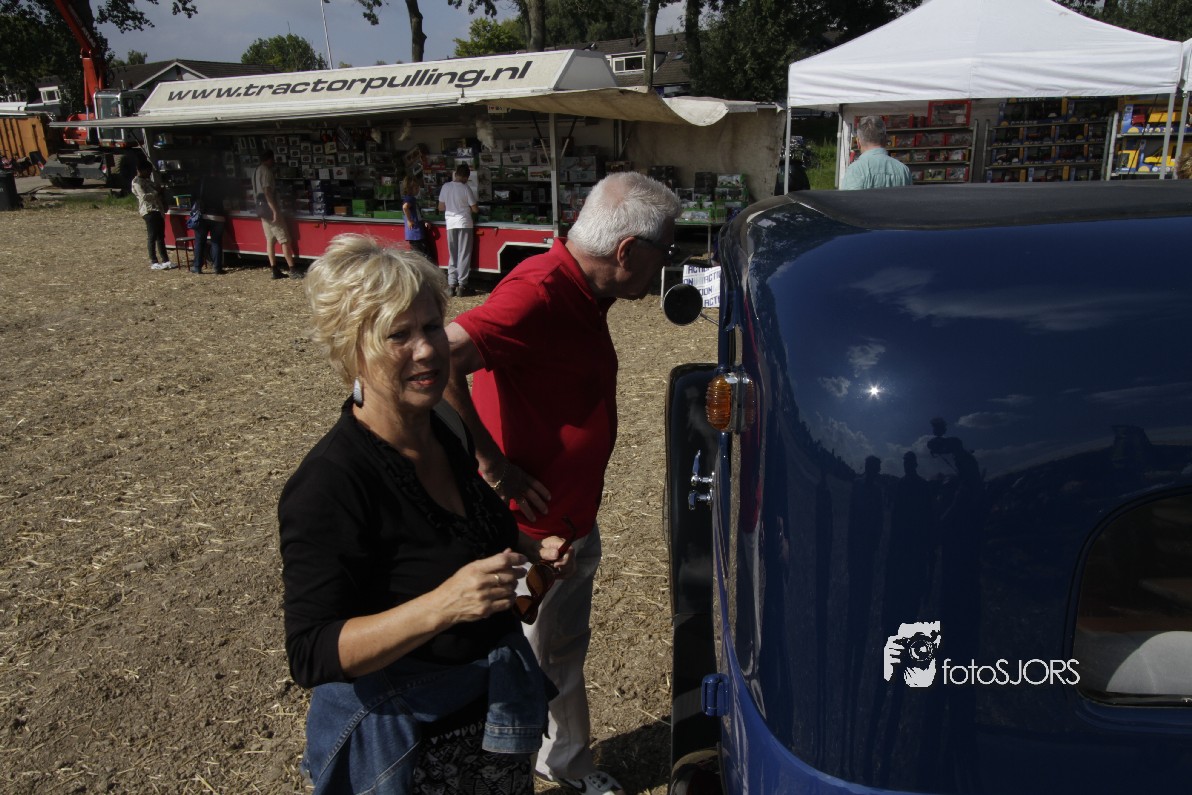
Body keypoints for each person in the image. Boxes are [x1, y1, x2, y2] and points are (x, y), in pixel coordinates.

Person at [279, 234, 571, 794]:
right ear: (352, 351)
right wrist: (443, 605)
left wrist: (533, 551)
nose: (427, 350)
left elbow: (471, 529)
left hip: (491, 721)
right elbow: (311, 652)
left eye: (433, 326)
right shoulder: (329, 484)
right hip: (407, 750)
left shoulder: (444, 426)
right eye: (399, 335)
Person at [443, 171, 682, 795]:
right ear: (627, 250)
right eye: (666, 249)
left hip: (568, 526)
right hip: (531, 537)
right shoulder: (541, 291)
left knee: (559, 647)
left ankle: (562, 761)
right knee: (521, 660)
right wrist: (492, 464)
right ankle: (517, 772)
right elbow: (439, 358)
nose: (668, 264)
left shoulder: (582, 292)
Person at [254, 149, 299, 279]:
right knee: (284, 239)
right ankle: (292, 269)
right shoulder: (266, 171)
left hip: (261, 208)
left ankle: (274, 269)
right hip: (269, 208)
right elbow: (267, 191)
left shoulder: (256, 171)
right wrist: (274, 210)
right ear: (269, 159)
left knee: (270, 240)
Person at [437, 162, 478, 296]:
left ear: (456, 174)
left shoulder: (446, 187)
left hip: (450, 223)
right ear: (466, 177)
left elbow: (440, 207)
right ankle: (462, 285)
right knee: (464, 254)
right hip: (464, 223)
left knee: (453, 254)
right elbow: (475, 209)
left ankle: (451, 285)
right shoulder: (466, 188)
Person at [841, 116, 912, 190]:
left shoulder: (855, 170)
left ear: (858, 142)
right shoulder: (903, 170)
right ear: (885, 139)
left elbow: (848, 197)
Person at [131, 161, 174, 271]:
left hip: (158, 210)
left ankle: (165, 260)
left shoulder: (148, 180)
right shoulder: (137, 182)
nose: (149, 173)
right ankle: (154, 261)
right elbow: (144, 197)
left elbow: (157, 189)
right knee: (152, 236)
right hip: (149, 211)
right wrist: (156, 192)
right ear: (141, 170)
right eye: (148, 171)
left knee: (161, 237)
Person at [191, 160, 229, 275]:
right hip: (218, 216)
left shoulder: (199, 183)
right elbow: (226, 198)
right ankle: (217, 267)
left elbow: (193, 199)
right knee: (216, 242)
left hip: (203, 216)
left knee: (200, 241)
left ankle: (197, 267)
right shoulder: (222, 183)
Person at [402, 175, 434, 260]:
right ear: (410, 189)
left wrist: (423, 221)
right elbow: (405, 207)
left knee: (420, 255)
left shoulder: (411, 199)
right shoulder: (410, 199)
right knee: (423, 256)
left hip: (416, 233)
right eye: (416, 188)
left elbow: (416, 214)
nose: (418, 190)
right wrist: (409, 220)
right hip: (415, 233)